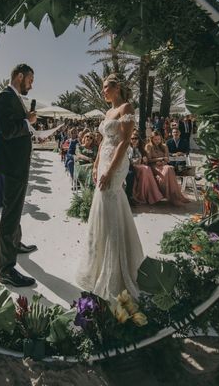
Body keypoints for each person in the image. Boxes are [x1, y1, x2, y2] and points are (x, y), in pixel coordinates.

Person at [76, 74, 144, 301]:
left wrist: (110, 170)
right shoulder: (106, 113)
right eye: (102, 87)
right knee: (103, 207)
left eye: (106, 87)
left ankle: (116, 270)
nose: (103, 91)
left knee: (109, 200)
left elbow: (124, 141)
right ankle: (100, 264)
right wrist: (96, 165)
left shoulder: (126, 107)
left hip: (116, 163)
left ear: (117, 88)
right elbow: (104, 141)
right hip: (104, 160)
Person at [0, 63, 38, 287]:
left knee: (17, 207)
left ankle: (16, 243)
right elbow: (7, 131)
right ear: (19, 76)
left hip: (18, 164)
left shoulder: (14, 97)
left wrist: (26, 122)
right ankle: (6, 270)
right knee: (10, 214)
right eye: (30, 79)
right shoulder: (3, 97)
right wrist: (27, 122)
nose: (31, 84)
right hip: (12, 166)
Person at [145, 131, 190, 205]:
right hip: (154, 166)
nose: (157, 141)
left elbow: (167, 159)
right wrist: (160, 159)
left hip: (163, 165)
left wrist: (163, 162)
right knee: (168, 169)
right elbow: (149, 160)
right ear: (152, 139)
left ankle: (174, 196)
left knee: (169, 168)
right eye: (155, 139)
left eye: (159, 139)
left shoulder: (164, 146)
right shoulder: (148, 146)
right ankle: (169, 195)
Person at [129, 133, 163, 205]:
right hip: (131, 166)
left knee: (147, 169)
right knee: (145, 169)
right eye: (132, 138)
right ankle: (142, 195)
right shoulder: (128, 148)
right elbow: (127, 160)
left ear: (138, 140)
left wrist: (144, 159)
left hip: (141, 165)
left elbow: (146, 159)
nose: (134, 140)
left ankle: (150, 195)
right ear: (130, 139)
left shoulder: (141, 148)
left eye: (136, 138)